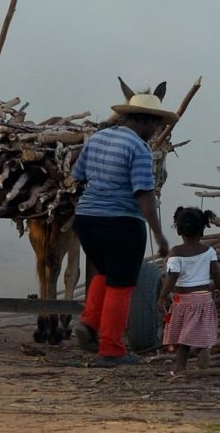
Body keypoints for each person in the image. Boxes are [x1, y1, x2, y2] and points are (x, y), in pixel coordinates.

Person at [71, 78, 178, 367]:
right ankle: (112, 349)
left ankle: (90, 322)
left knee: (104, 273)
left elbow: (77, 176)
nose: (156, 130)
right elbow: (143, 194)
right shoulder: (140, 149)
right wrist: (159, 235)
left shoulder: (97, 139)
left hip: (86, 220)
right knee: (122, 284)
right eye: (155, 125)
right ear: (145, 121)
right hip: (121, 223)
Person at [158, 206, 220, 374]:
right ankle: (203, 358)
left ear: (179, 230)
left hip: (183, 301)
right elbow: (217, 274)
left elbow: (171, 278)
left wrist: (162, 298)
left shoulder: (176, 253)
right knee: (202, 338)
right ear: (202, 230)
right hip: (204, 299)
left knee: (182, 340)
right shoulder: (209, 251)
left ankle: (180, 369)